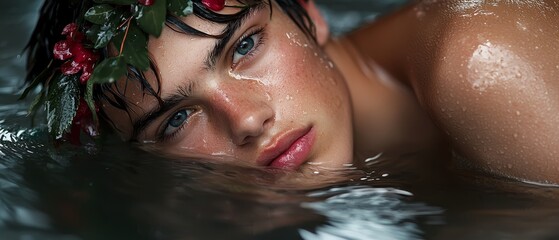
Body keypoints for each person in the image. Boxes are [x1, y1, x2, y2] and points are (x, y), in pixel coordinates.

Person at [22, 0, 559, 185]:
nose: (247, 119)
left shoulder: (478, 63)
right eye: (177, 120)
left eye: (246, 44)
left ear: (310, 15)